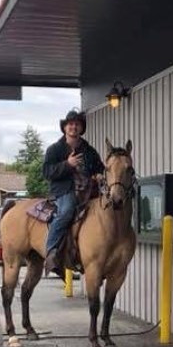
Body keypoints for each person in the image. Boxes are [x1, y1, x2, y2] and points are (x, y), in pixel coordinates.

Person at [42, 109, 104, 273]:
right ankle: (51, 252)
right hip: (65, 191)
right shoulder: (54, 149)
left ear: (81, 128)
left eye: (77, 124)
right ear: (64, 128)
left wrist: (98, 174)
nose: (73, 127)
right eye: (70, 124)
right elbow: (47, 172)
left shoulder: (89, 150)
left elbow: (100, 168)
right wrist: (67, 164)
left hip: (89, 191)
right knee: (67, 211)